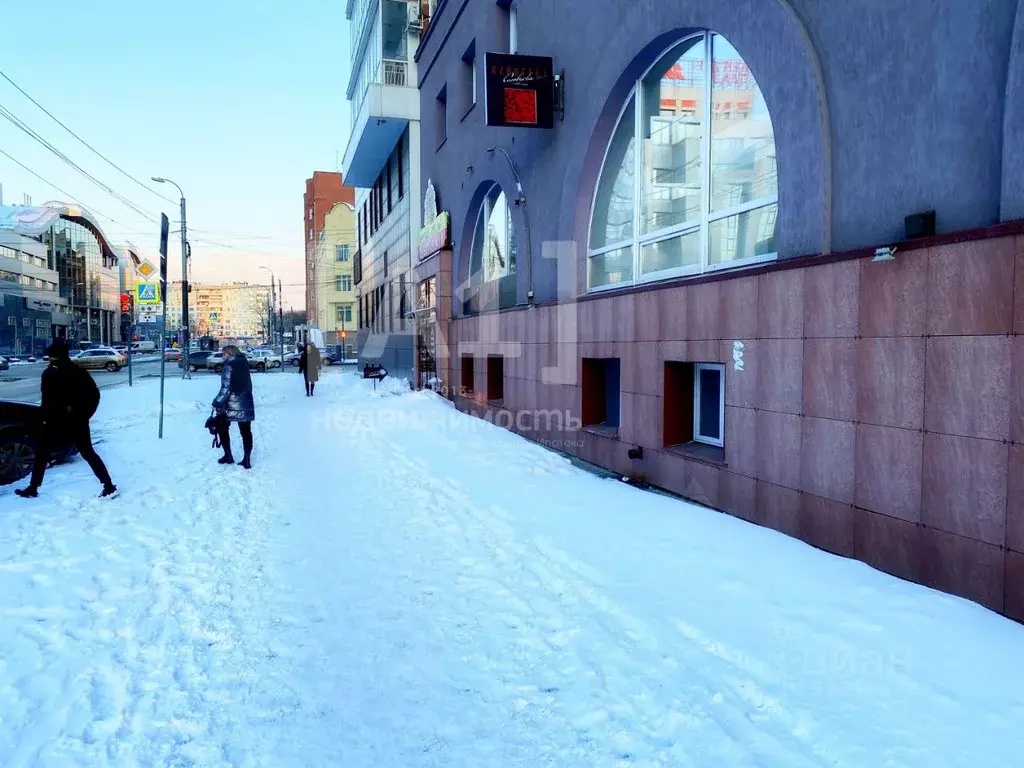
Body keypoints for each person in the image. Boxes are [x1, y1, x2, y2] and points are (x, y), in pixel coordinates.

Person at [15, 340, 117, 499]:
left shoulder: (50, 374)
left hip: (56, 422)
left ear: (52, 357)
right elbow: (94, 395)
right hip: (78, 422)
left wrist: (44, 419)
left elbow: (47, 401)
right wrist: (84, 414)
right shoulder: (79, 371)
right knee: (88, 453)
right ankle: (108, 485)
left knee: (42, 453)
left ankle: (33, 488)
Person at [212, 345, 255, 468]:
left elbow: (225, 388)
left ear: (229, 354)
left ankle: (228, 456)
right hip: (245, 401)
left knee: (222, 428)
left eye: (223, 354)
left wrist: (216, 402)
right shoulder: (243, 363)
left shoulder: (228, 366)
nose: (222, 356)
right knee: (246, 432)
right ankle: (247, 459)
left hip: (230, 403)